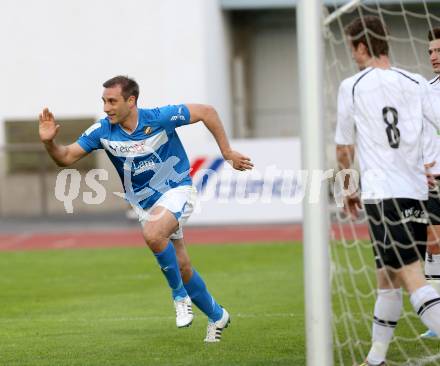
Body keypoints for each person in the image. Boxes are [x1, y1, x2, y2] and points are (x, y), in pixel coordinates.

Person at [38, 75, 253, 342]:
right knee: (182, 265)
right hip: (145, 204)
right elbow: (65, 157)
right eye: (104, 101)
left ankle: (179, 296)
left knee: (153, 234)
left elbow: (206, 112)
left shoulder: (159, 118)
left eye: (112, 101)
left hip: (177, 189)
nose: (106, 107)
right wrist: (49, 142)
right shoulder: (102, 131)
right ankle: (217, 315)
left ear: (131, 101)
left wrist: (227, 152)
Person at [335, 16, 440, 366]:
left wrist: (347, 188)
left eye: (352, 49)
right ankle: (375, 358)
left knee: (412, 277)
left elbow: (343, 148)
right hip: (415, 195)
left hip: (382, 196)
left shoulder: (352, 85)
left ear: (362, 47)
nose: (352, 56)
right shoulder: (416, 81)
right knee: (387, 278)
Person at [420, 26, 440, 339]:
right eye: (431, 52)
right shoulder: (426, 88)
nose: (434, 57)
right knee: (433, 244)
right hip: (433, 179)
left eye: (438, 51)